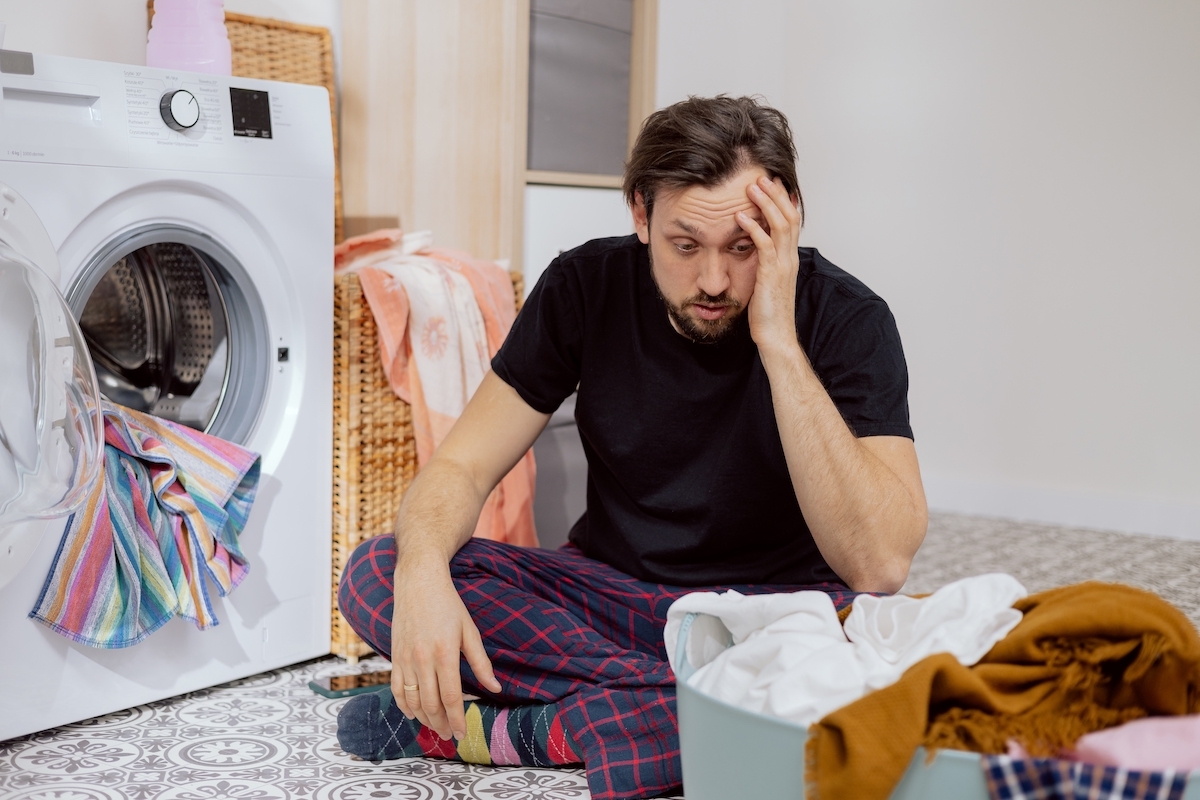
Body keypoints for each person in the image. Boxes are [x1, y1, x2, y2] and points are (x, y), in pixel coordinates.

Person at [335, 95, 927, 799]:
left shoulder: (848, 318)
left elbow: (880, 563)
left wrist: (777, 339)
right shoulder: (585, 286)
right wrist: (425, 571)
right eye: (686, 245)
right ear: (640, 214)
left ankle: (532, 729)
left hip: (774, 617)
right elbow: (462, 465)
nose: (714, 281)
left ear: (786, 218)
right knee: (379, 570)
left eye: (742, 247)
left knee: (865, 660)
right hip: (613, 597)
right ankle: (715, 709)